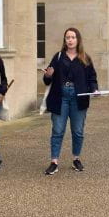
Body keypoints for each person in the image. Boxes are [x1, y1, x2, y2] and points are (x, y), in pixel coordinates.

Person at [42, 27, 98, 175]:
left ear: (78, 40)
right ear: (65, 40)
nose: (70, 40)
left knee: (78, 131)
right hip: (60, 97)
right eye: (67, 37)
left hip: (79, 97)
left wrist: (94, 89)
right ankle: (54, 162)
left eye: (73, 37)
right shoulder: (58, 57)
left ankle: (76, 159)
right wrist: (48, 75)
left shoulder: (85, 58)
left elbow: (92, 78)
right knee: (57, 130)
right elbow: (47, 80)